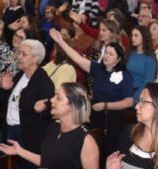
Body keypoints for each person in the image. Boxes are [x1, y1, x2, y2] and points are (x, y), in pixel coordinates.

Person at [50, 28, 133, 157]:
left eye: (111, 54)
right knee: (94, 149)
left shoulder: (125, 76)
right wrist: (60, 41)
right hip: (96, 114)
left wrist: (105, 105)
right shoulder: (98, 69)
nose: (106, 56)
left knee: (109, 150)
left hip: (114, 118)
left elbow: (129, 102)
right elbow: (77, 58)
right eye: (106, 52)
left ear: (118, 59)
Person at [0, 39, 55, 169]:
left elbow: (49, 110)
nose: (19, 57)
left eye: (24, 54)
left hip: (31, 134)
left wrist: (41, 108)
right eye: (19, 53)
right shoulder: (19, 76)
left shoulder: (42, 80)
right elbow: (11, 103)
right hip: (13, 129)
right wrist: (5, 90)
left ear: (36, 58)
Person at [127, 25, 157, 101]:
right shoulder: (129, 54)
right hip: (125, 91)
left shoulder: (150, 59)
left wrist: (134, 100)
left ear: (144, 37)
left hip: (139, 94)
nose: (133, 38)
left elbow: (147, 83)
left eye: (136, 35)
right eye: (132, 35)